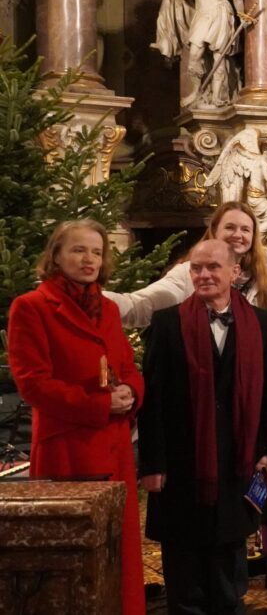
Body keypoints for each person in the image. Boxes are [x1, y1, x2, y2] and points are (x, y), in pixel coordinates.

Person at [138, 239, 267, 613]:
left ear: (234, 272)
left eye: (213, 267)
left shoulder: (262, 323)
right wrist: (153, 464)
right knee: (184, 569)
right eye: (196, 268)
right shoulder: (167, 322)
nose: (203, 274)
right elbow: (152, 399)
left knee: (228, 570)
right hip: (181, 464)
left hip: (238, 460)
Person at [7, 219, 146, 615]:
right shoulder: (31, 307)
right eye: (79, 250)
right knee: (73, 555)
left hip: (114, 446)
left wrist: (131, 391)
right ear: (56, 255)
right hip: (67, 446)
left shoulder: (109, 308)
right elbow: (33, 384)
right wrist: (101, 405)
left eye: (97, 252)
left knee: (118, 550)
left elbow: (127, 366)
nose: (89, 259)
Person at [105, 200, 267, 328]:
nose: (238, 235)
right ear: (214, 231)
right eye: (230, 227)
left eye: (245, 229)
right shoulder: (188, 274)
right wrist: (95, 299)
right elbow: (141, 306)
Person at [145, 0, 251, 107]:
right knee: (194, 54)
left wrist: (242, 15)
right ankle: (196, 91)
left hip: (221, 13)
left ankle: (217, 97)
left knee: (219, 57)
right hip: (202, 15)